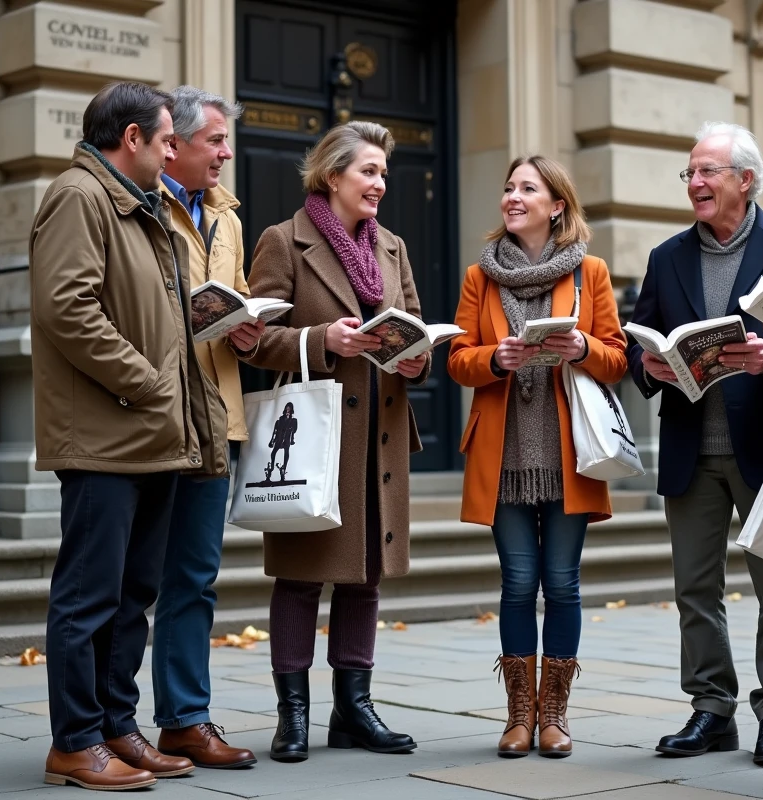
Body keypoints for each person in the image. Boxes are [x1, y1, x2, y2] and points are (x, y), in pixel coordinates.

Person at [30, 81, 228, 791]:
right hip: (105, 437)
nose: (174, 152)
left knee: (130, 597)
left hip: (150, 436)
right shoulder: (80, 196)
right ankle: (74, 742)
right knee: (88, 597)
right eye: (168, 139)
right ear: (133, 137)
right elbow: (67, 308)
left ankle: (116, 726)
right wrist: (147, 382)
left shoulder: (138, 205)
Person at [626, 122, 763, 766]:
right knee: (695, 590)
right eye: (689, 172)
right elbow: (641, 341)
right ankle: (711, 710)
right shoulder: (666, 256)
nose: (695, 182)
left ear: (745, 179)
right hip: (691, 448)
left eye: (706, 171)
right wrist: (649, 366)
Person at [235, 121, 429, 762]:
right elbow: (252, 338)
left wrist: (416, 357)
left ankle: (354, 709)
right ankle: (293, 714)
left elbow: (416, 327)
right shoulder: (283, 241)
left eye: (383, 173)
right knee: (299, 579)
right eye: (368, 171)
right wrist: (322, 340)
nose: (380, 183)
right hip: (314, 437)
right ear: (332, 175)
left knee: (364, 576)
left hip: (380, 436)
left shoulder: (392, 247)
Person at [448, 155, 628, 759]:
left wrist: (582, 348)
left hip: (571, 455)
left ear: (556, 206)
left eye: (528, 188)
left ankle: (554, 715)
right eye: (508, 187)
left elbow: (617, 359)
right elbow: (458, 359)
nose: (513, 196)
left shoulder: (589, 272)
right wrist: (494, 359)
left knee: (564, 584)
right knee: (519, 583)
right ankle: (518, 716)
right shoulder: (480, 276)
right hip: (503, 458)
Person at [150, 86, 263, 770]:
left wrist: (247, 328)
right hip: (154, 414)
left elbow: (237, 293)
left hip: (215, 416)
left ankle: (185, 721)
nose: (226, 153)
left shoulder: (227, 216)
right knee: (134, 580)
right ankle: (105, 724)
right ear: (175, 145)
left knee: (195, 576)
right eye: (215, 140)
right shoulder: (139, 202)